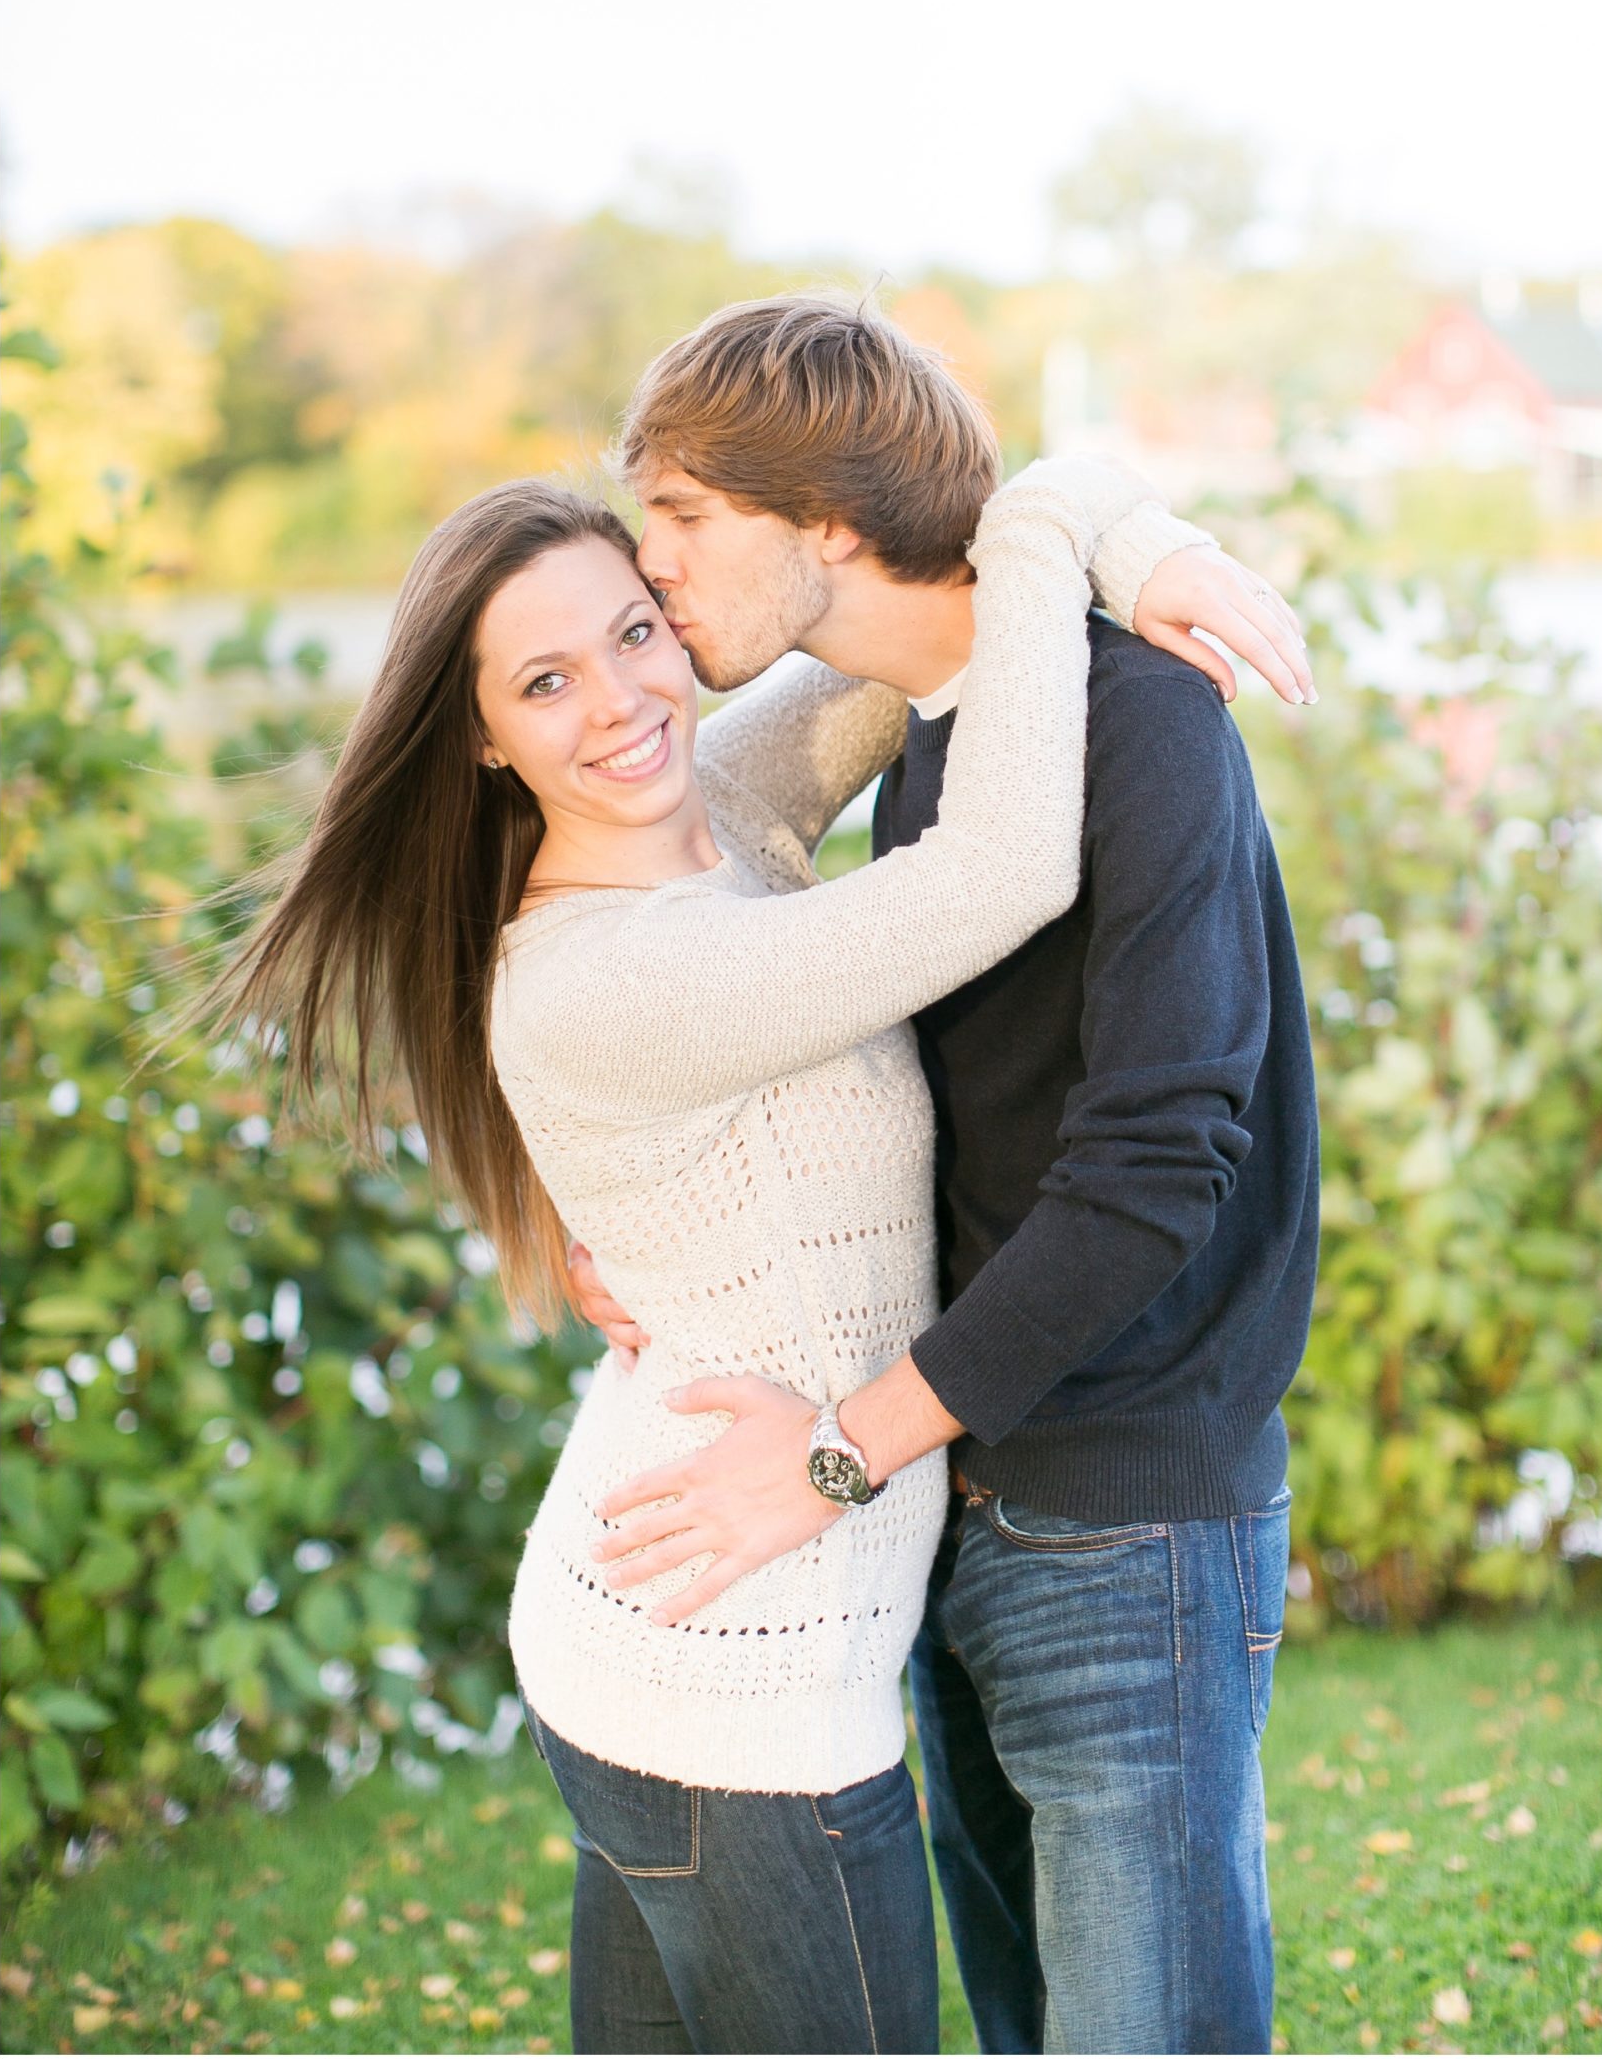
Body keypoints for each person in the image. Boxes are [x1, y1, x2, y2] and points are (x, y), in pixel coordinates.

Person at [198, 369, 1299, 2055]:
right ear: (482, 735)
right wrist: (1070, 517)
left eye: (641, 617)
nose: (630, 691)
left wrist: (1106, 523)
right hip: (731, 1655)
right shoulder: (621, 968)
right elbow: (995, 869)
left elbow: (906, 651)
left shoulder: (728, 820)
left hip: (720, 1617)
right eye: (543, 681)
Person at [576, 292, 1321, 2057]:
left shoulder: (1139, 722)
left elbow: (1153, 1170)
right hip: (961, 1492)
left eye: (680, 514)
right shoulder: (938, 743)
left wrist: (836, 1452)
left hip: (1126, 1518)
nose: (647, 565)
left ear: (825, 522)